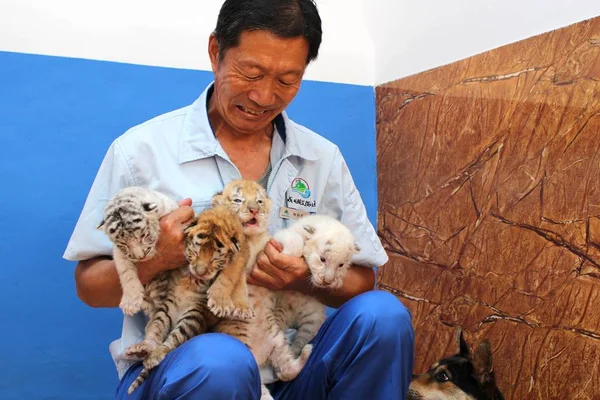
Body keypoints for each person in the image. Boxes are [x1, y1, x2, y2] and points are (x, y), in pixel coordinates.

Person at [63, 0, 415, 398]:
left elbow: (362, 281)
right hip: (186, 367)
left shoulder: (322, 159)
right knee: (222, 361)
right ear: (216, 52)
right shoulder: (140, 151)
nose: (264, 96)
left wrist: (303, 278)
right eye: (251, 73)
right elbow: (89, 287)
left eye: (287, 80)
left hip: (290, 368)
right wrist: (158, 257)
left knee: (383, 317)